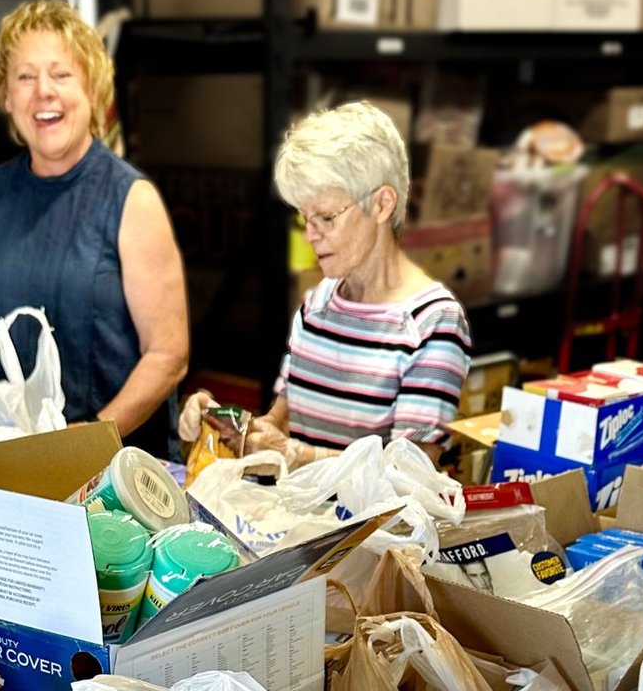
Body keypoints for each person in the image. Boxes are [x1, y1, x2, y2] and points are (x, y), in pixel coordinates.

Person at [0, 0, 188, 458]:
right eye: (25, 77)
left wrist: (87, 440)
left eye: (61, 75)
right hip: (12, 457)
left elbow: (167, 355)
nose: (44, 92)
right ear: (6, 95)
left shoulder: (131, 200)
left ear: (93, 90)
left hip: (117, 468)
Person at [181, 102, 471, 466]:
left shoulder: (433, 322)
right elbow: (278, 426)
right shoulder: (317, 305)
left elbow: (410, 471)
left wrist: (299, 456)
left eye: (326, 218)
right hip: (301, 519)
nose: (310, 237)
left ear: (382, 205)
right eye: (306, 220)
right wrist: (226, 424)